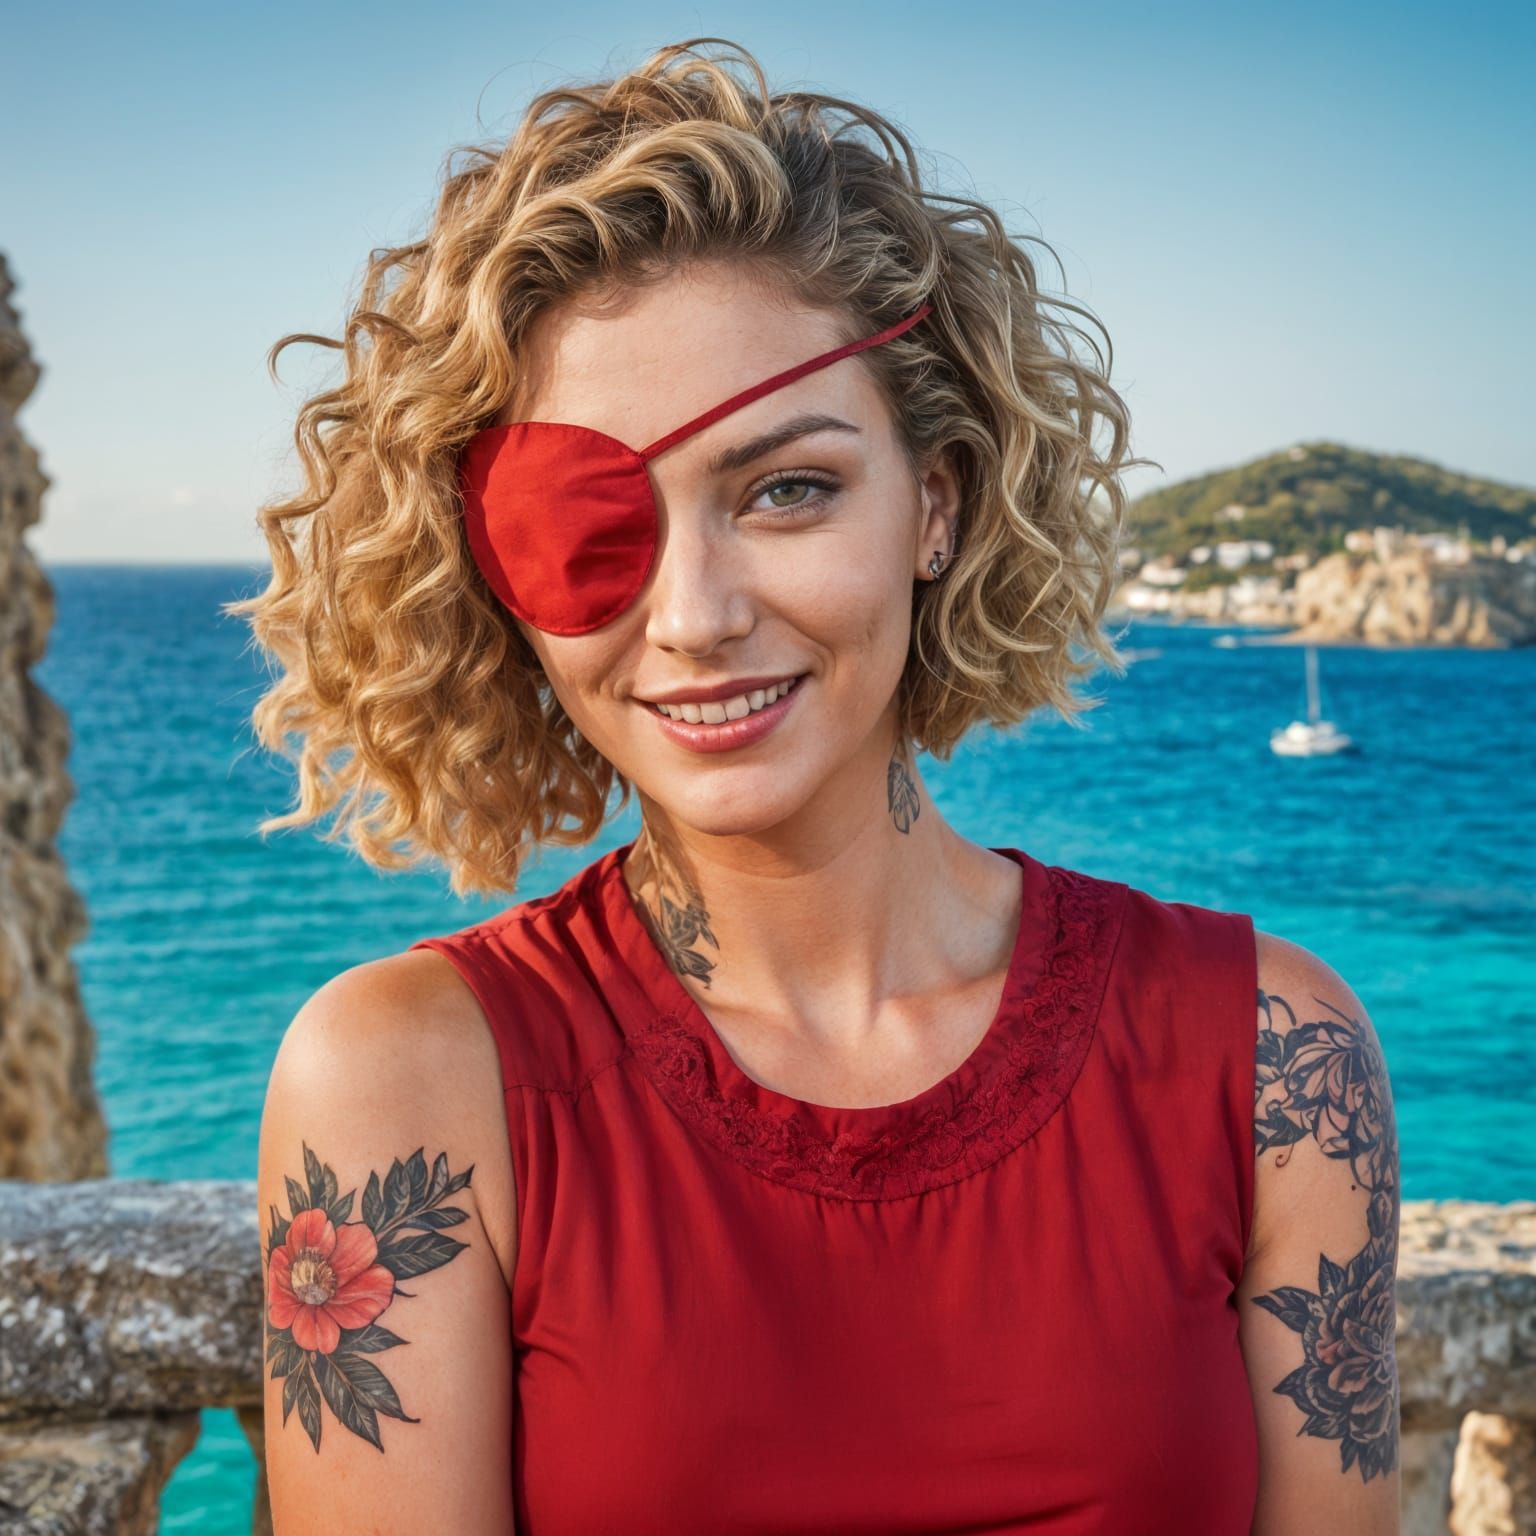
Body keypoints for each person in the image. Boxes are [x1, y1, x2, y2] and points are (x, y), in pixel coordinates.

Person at [235, 37, 1401, 1535]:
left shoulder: (1275, 1066)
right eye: (591, 523)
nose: (695, 613)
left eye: (787, 488)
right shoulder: (405, 1087)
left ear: (940, 502)